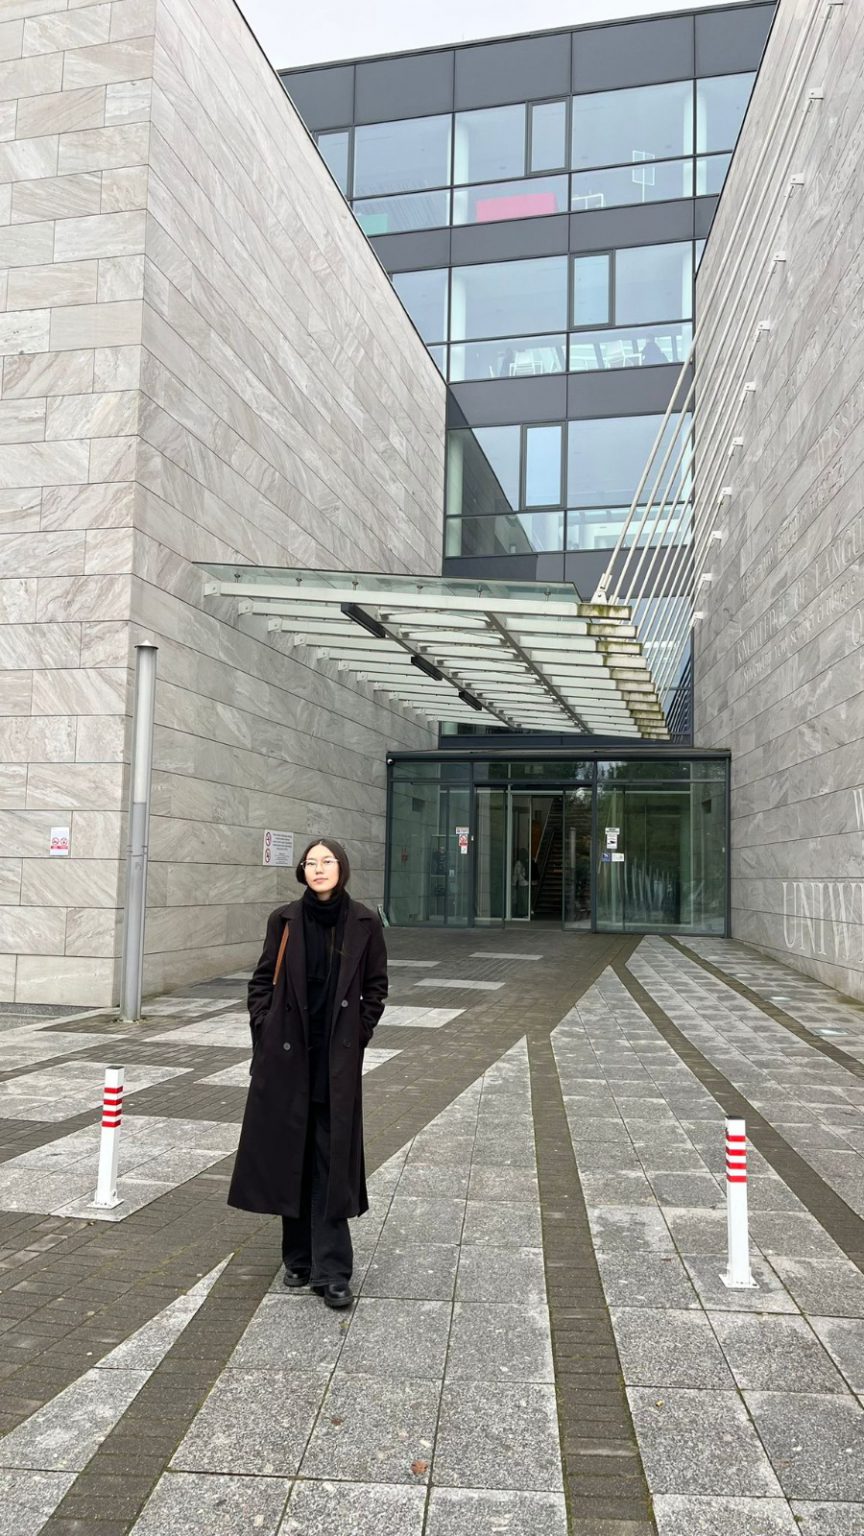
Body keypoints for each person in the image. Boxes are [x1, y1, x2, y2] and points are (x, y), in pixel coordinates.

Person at [227, 838, 388, 1309]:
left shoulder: (364, 922)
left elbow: (376, 987)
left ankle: (332, 1270)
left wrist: (358, 1033)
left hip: (335, 1059)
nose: (319, 869)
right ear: (302, 871)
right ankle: (297, 1258)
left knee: (331, 1158)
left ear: (342, 869)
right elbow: (262, 981)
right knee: (290, 1153)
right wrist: (264, 1025)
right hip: (288, 1056)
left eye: (327, 861)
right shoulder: (284, 920)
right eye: (311, 863)